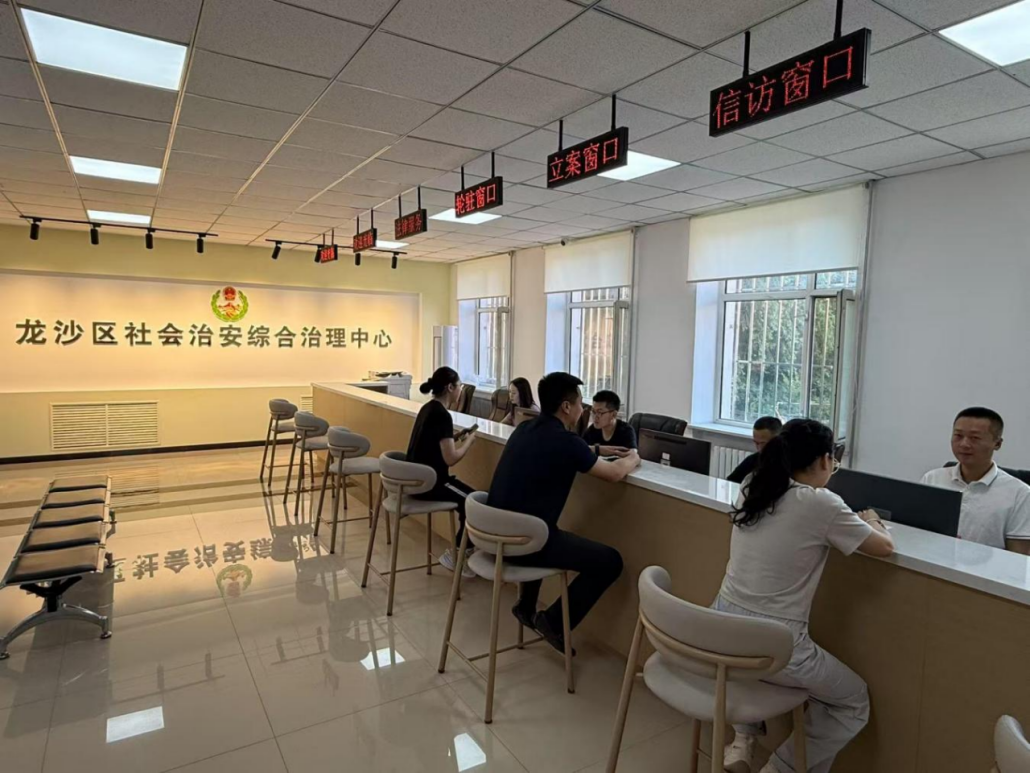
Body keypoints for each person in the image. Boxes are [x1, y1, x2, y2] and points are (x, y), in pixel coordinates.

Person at [717, 419, 895, 773]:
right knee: (852, 701)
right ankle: (781, 767)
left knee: (746, 668)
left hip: (721, 631)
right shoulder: (821, 503)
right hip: (776, 644)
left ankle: (744, 741)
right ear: (825, 459)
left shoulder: (753, 485)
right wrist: (873, 520)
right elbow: (884, 547)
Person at [488, 373, 641, 653]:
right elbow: (614, 473)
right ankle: (554, 622)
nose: (584, 410)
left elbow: (560, 450)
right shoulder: (566, 442)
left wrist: (594, 449)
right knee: (610, 561)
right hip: (524, 543)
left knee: (542, 525)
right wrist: (633, 458)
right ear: (567, 407)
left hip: (493, 535)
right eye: (581, 403)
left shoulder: (525, 428)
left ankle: (526, 606)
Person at [920, 408, 1030, 555]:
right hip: (932, 562)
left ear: (997, 443)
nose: (964, 444)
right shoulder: (932, 478)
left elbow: (1019, 557)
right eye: (958, 435)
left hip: (987, 568)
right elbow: (918, 533)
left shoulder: (1020, 494)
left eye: (975, 438)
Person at [407, 367, 478, 577]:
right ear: (450, 387)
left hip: (416, 479)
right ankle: (456, 554)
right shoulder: (442, 415)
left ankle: (462, 552)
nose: (461, 391)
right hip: (432, 483)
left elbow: (433, 442)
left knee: (471, 501)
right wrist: (469, 442)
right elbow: (451, 458)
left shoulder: (428, 408)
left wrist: (456, 437)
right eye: (459, 386)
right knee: (474, 503)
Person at [727, 416, 783, 484]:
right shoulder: (752, 460)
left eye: (763, 443)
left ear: (777, 440)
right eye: (756, 443)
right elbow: (730, 482)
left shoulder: (788, 464)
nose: (759, 448)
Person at [581, 390, 637, 457]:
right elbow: (580, 449)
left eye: (600, 412)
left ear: (614, 414)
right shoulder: (592, 430)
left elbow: (633, 455)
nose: (595, 416)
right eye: (593, 411)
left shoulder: (626, 431)